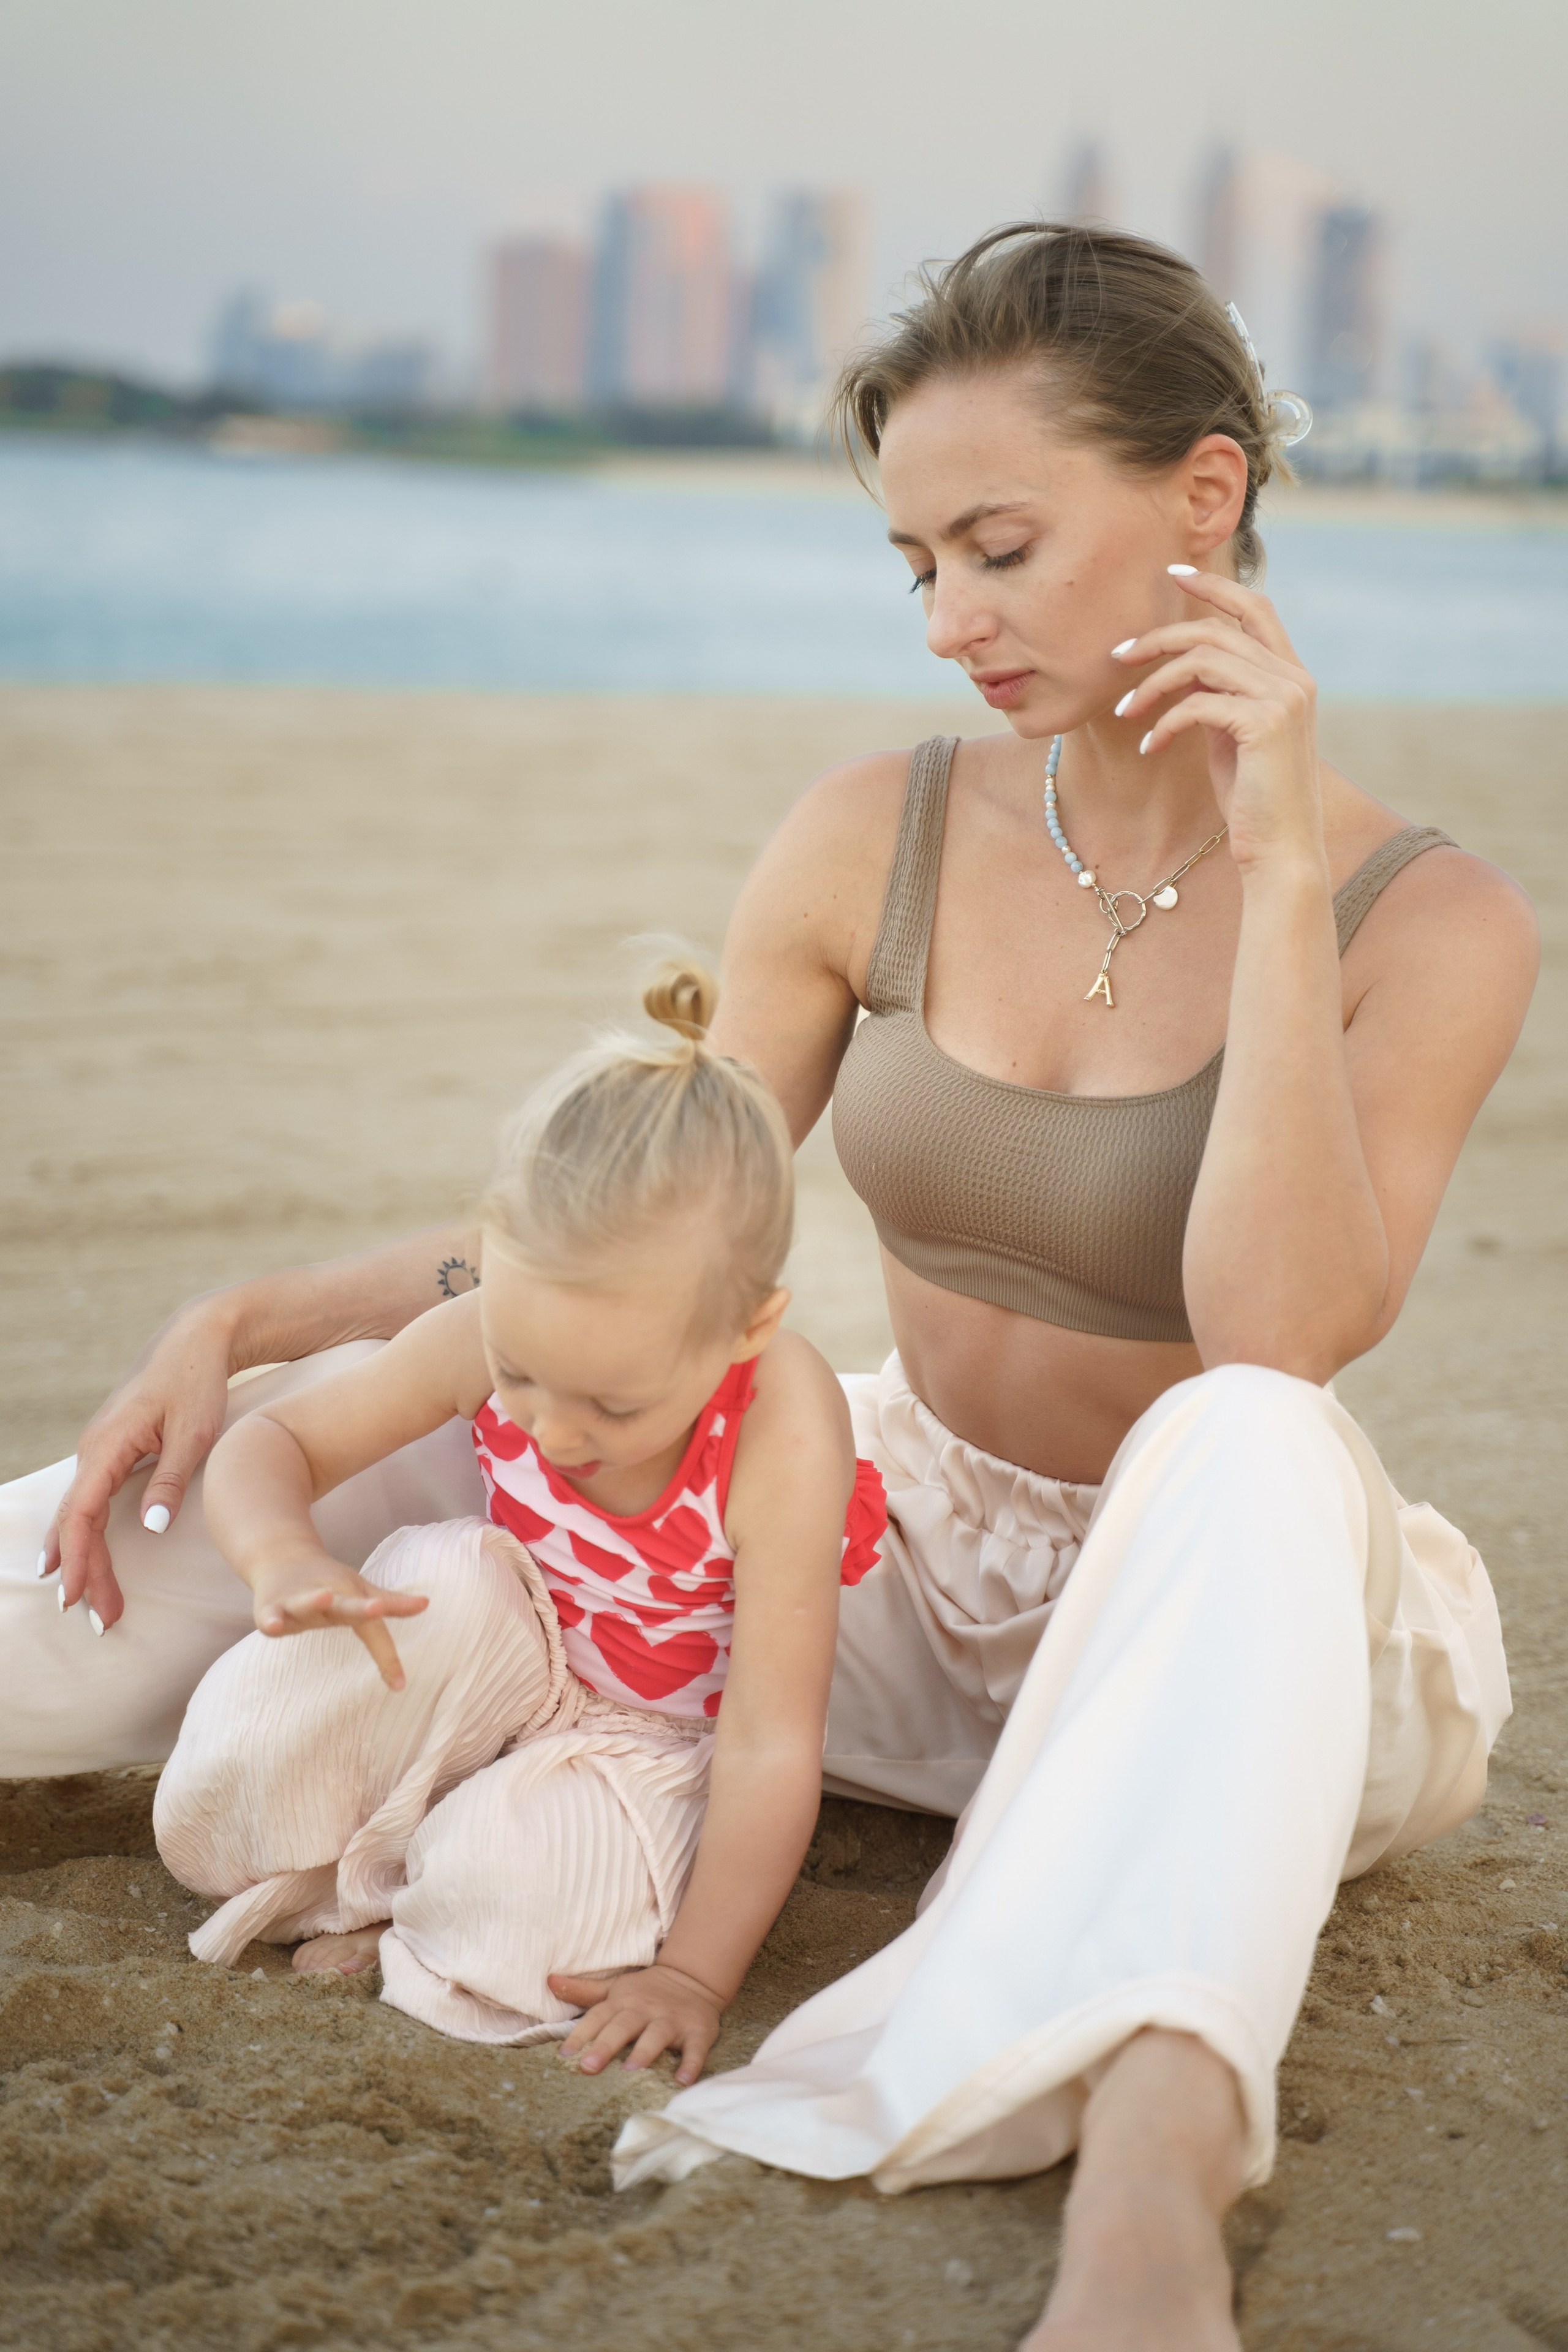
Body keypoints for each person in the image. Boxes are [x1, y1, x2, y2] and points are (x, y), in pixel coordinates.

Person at [0, 221, 1537, 2346]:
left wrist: (1278, 869)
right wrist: (257, 1322)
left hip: (1236, 1635)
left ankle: (1154, 2187)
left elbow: (1282, 1328)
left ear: (1205, 497)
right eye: (917, 566)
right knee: (477, 1413)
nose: (950, 624)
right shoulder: (868, 835)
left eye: (996, 548)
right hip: (896, 1582)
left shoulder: (1422, 918)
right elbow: (655, 1232)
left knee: (1254, 1428)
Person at [152, 960, 885, 2069]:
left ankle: (418, 1891)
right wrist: (283, 1553)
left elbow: (774, 1739)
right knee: (431, 1587)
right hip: (521, 1649)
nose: (551, 1429)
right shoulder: (484, 1328)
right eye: (523, 1376)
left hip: (659, 1737)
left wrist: (694, 1973)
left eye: (615, 1402)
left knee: (525, 1902)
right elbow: (281, 1443)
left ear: (746, 1329)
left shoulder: (782, 1424)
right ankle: (377, 1878)